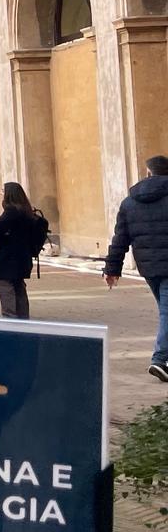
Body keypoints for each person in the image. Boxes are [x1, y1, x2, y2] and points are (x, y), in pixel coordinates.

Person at [103, 155, 168, 383]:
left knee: (165, 311)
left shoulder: (129, 202)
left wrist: (112, 268)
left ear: (148, 173)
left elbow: (120, 238)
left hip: (148, 267)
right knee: (166, 313)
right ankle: (159, 360)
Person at [0, 182, 48, 320]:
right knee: (19, 288)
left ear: (9, 194)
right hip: (23, 258)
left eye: (3, 190)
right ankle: (23, 321)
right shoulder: (27, 211)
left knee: (6, 290)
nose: (0, 193)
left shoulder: (11, 212)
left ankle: (10, 321)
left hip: (8, 259)